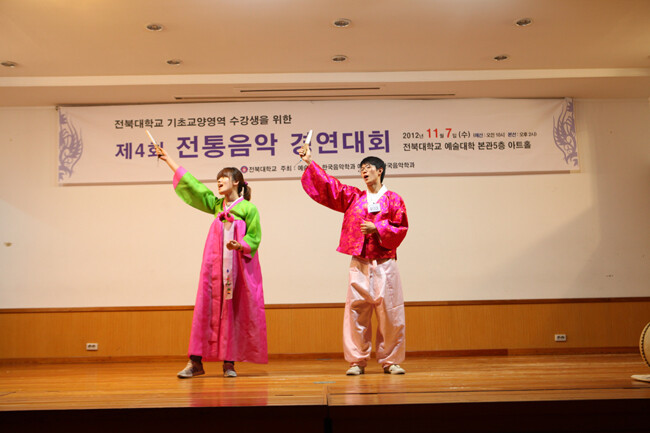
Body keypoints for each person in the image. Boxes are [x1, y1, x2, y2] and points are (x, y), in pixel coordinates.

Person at [156, 147, 267, 378]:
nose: (219, 181)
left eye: (223, 178)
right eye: (218, 179)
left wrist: (240, 245)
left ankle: (229, 363)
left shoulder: (248, 208)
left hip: (237, 271)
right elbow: (194, 186)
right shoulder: (217, 205)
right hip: (213, 269)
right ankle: (195, 362)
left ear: (236, 182)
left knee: (233, 311)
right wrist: (169, 161)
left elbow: (254, 237)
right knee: (205, 309)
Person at [298, 143, 408, 375]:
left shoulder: (394, 199)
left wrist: (378, 228)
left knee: (390, 313)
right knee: (356, 312)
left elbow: (401, 227)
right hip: (359, 262)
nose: (364, 171)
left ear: (380, 170)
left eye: (368, 167)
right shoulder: (354, 197)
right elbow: (330, 187)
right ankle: (357, 361)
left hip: (385, 263)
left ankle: (391, 361)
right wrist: (309, 162)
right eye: (362, 168)